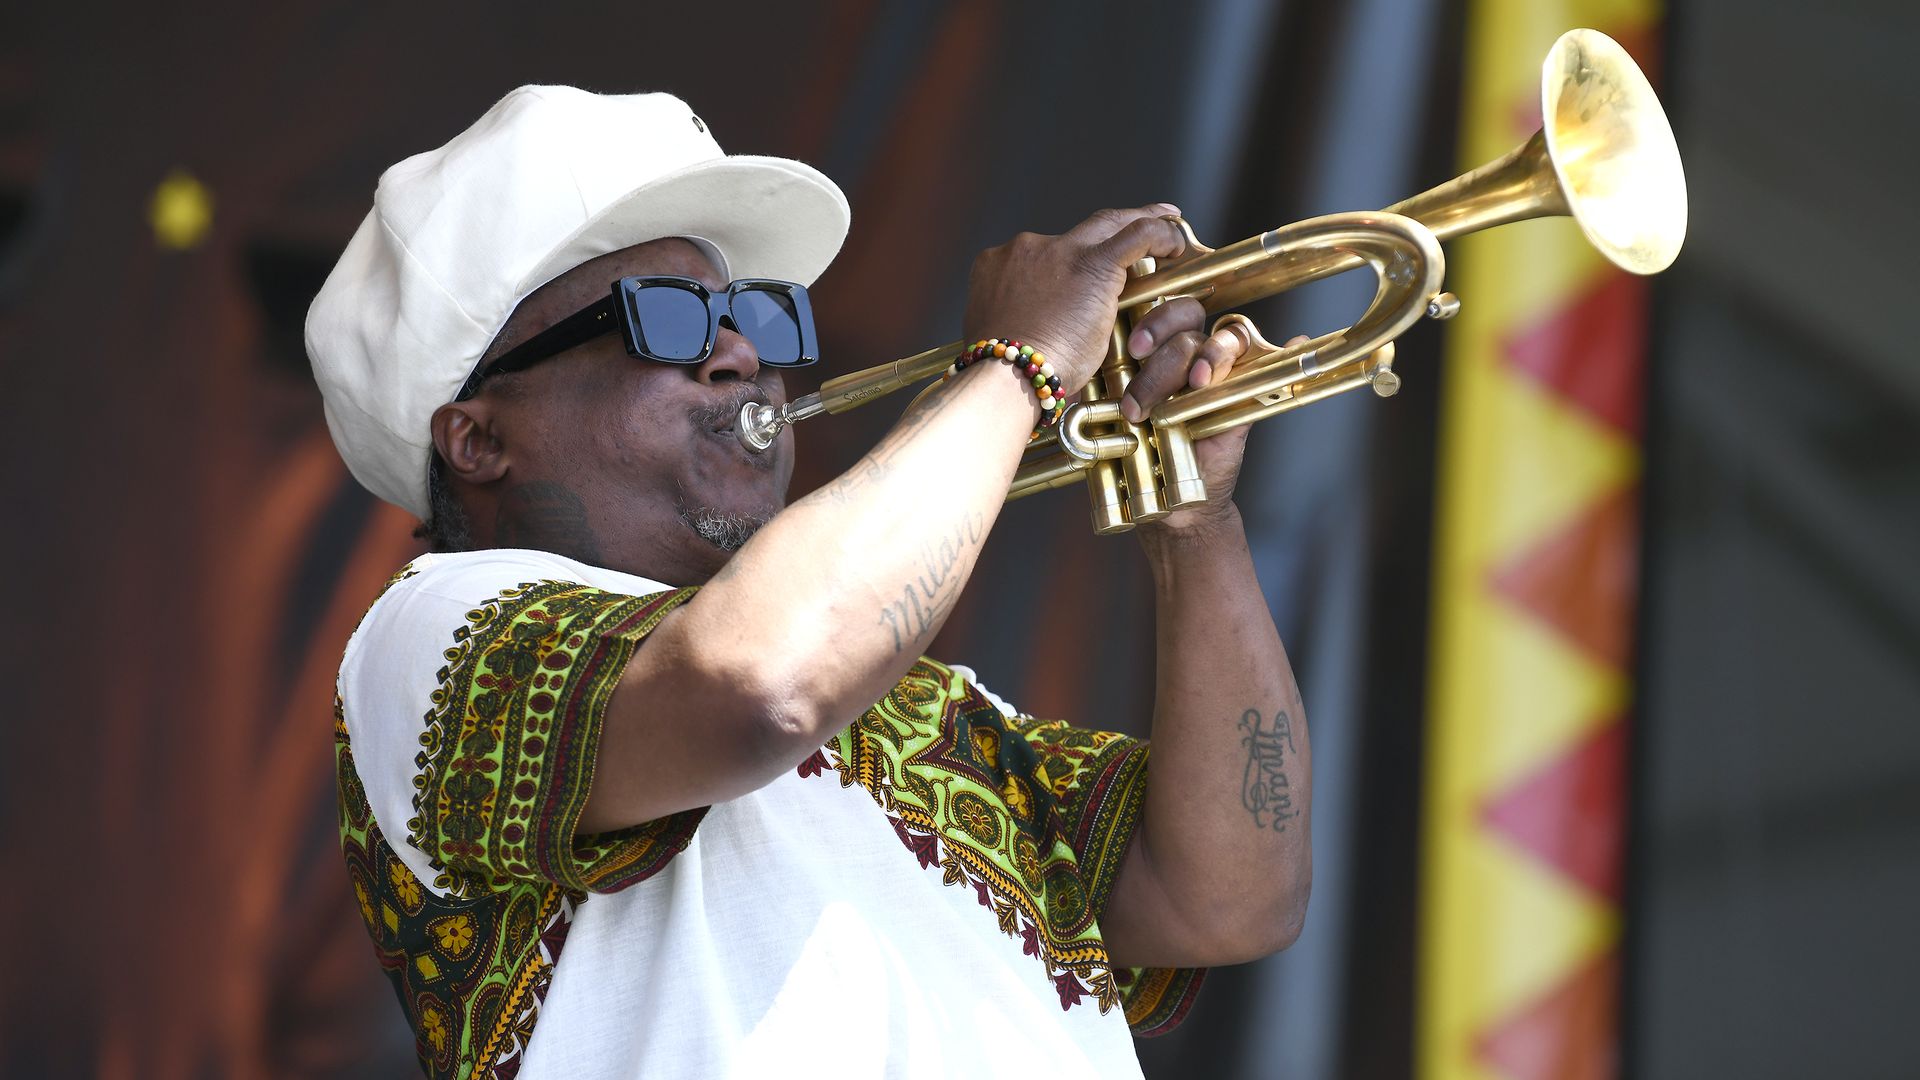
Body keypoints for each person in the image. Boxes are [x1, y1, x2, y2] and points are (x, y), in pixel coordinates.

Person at [308, 86, 1311, 1080]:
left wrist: (1196, 519)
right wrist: (1018, 365)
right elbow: (763, 685)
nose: (742, 355)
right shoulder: (433, 627)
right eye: (665, 320)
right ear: (480, 438)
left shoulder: (920, 705)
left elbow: (1228, 899)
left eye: (751, 317)